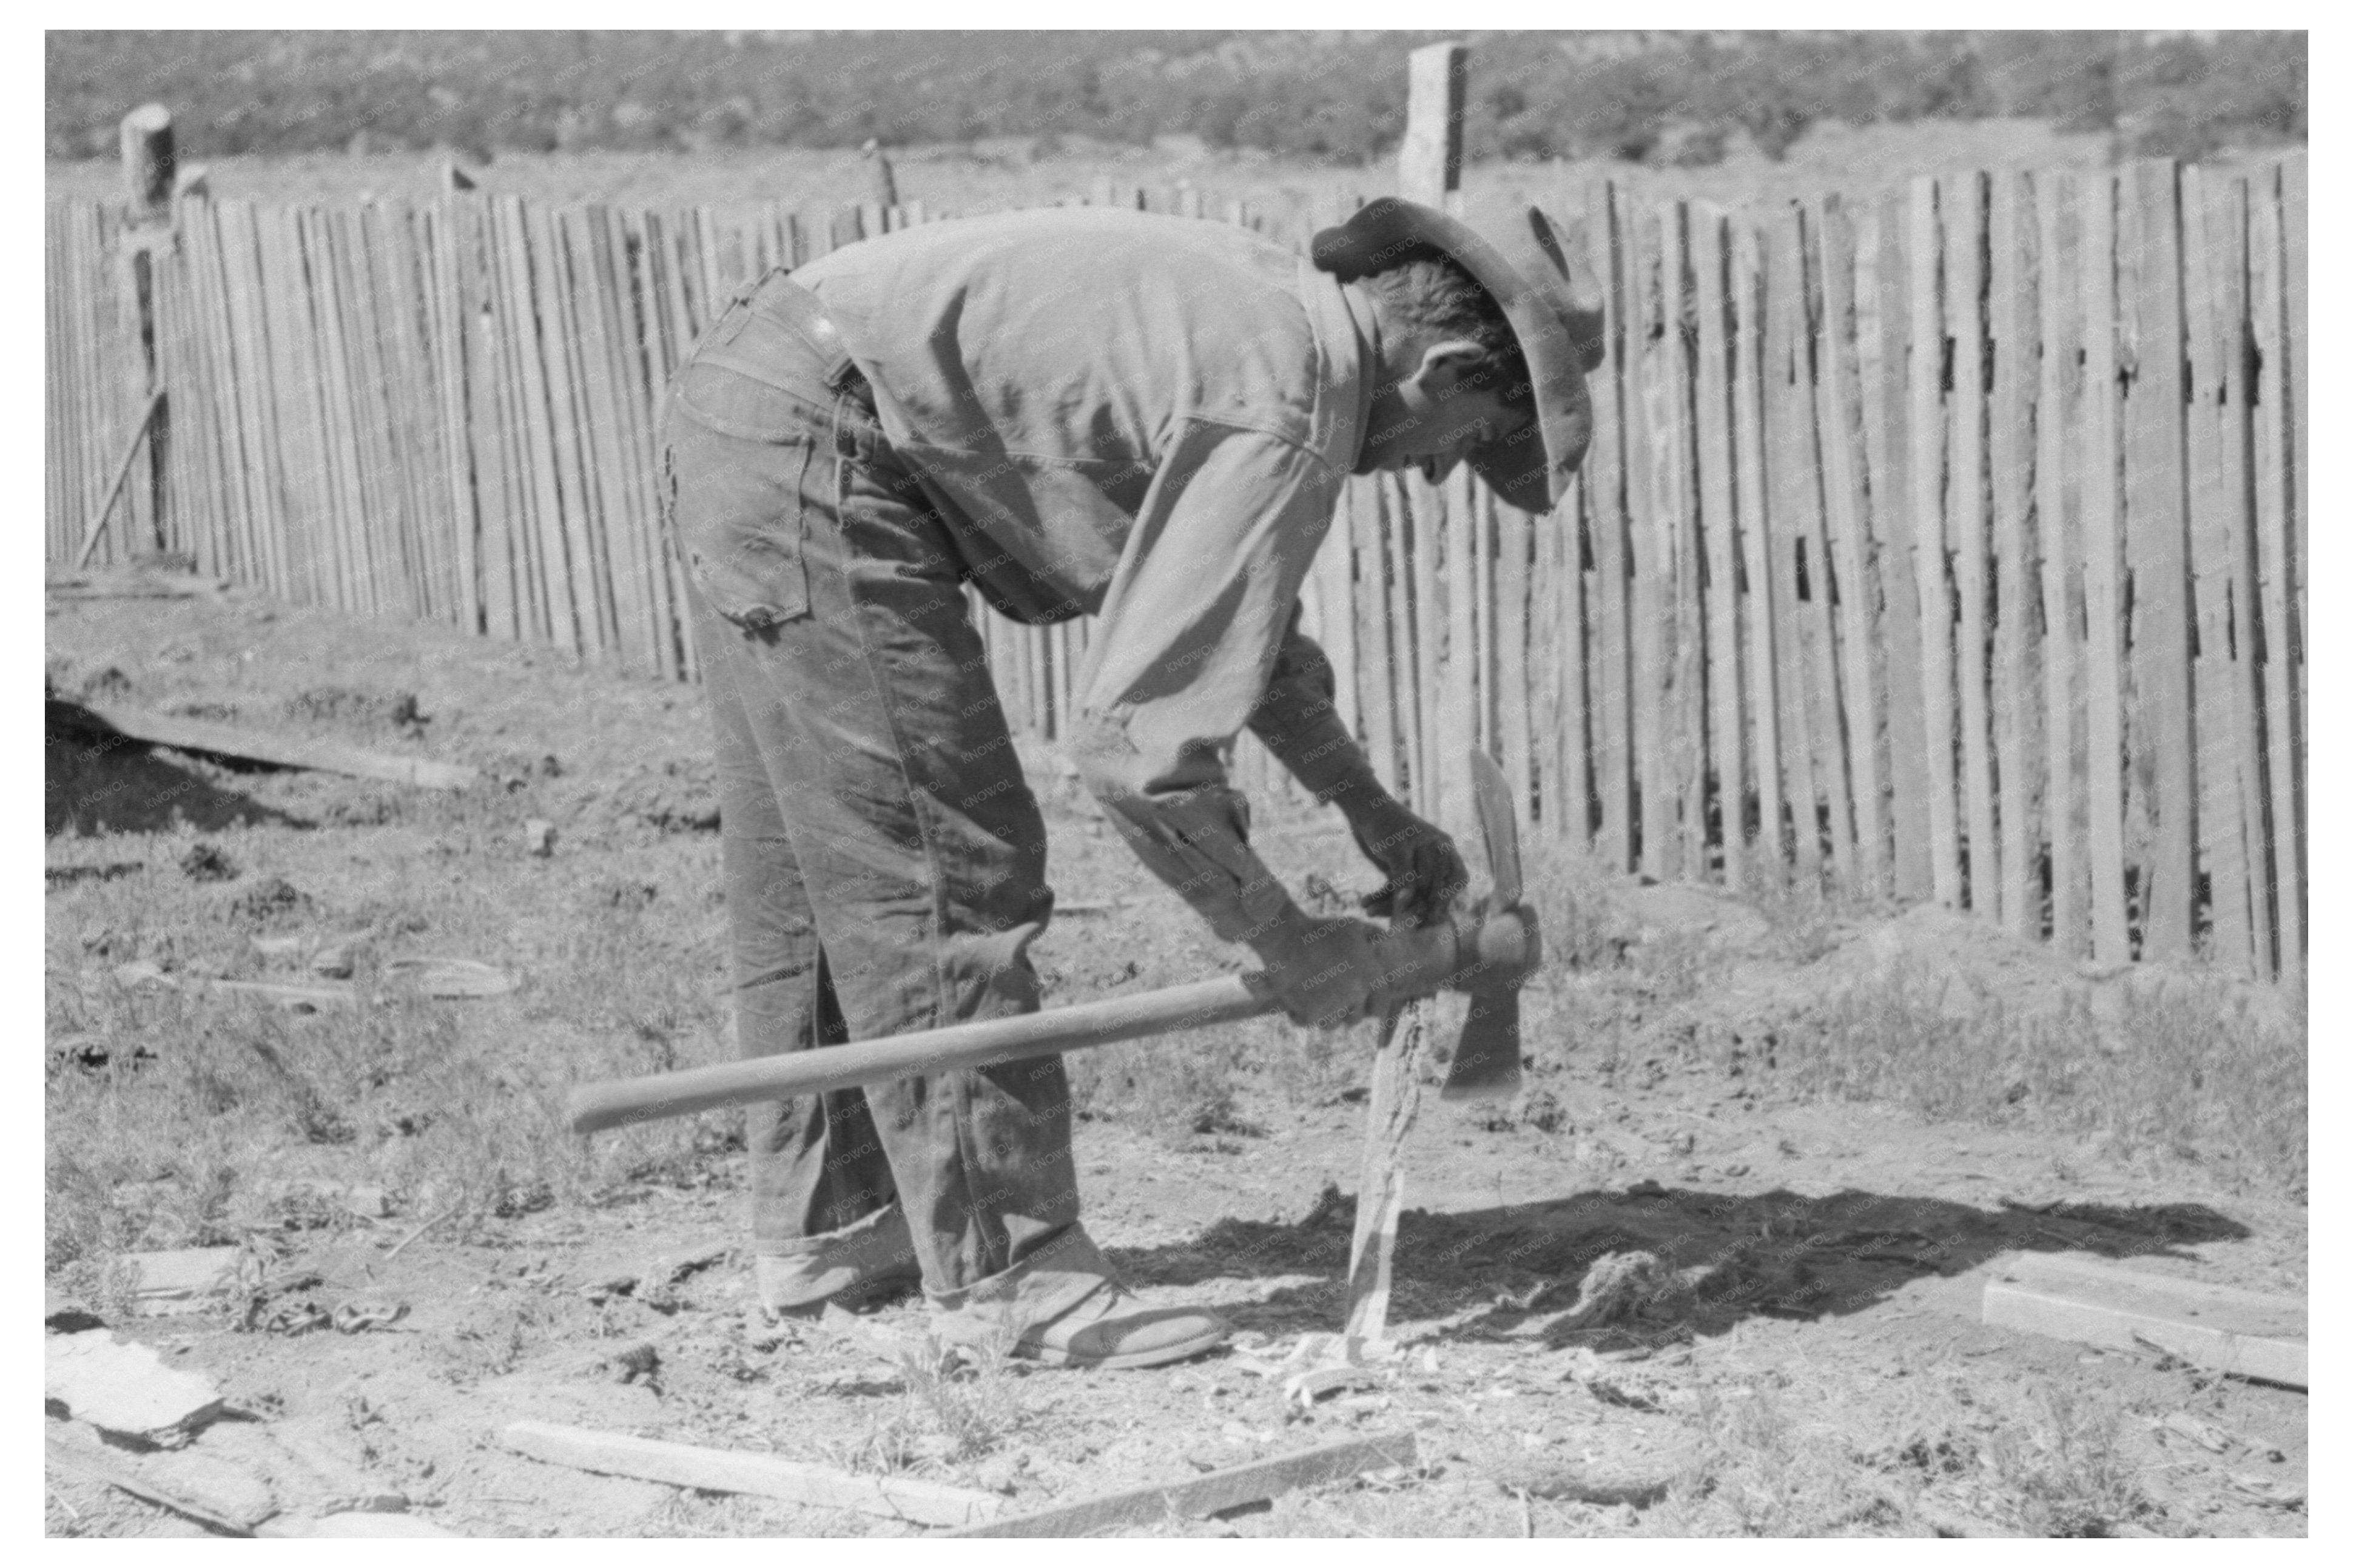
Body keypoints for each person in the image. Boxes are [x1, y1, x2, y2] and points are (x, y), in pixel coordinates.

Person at [657, 196, 1601, 1370]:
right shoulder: (1286, 401)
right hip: (825, 433)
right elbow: (1136, 753)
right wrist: (1279, 938)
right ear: (1447, 365)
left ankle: (833, 1233)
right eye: (1462, 441)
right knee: (943, 868)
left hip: (766, 396)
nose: (1431, 475)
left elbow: (1234, 637)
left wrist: (1366, 808)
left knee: (826, 862)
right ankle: (1013, 1282)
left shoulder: (1276, 333)